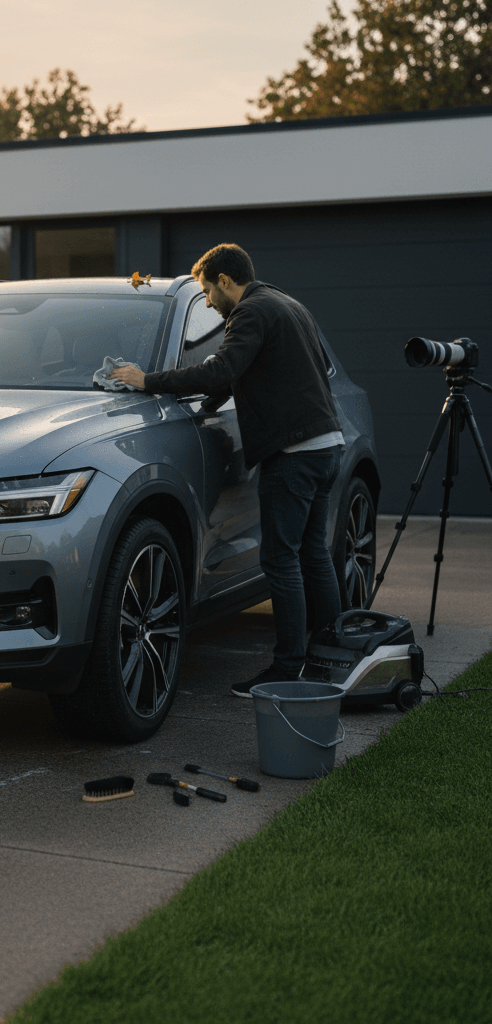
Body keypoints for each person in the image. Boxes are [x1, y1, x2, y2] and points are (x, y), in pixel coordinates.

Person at [110, 244, 344, 697]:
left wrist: (148, 381)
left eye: (207, 291)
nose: (209, 303)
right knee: (313, 553)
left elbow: (222, 367)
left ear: (224, 281)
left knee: (280, 559)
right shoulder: (286, 303)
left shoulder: (251, 312)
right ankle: (331, 654)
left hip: (294, 453)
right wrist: (214, 400)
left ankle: (288, 668)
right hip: (325, 444)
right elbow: (247, 373)